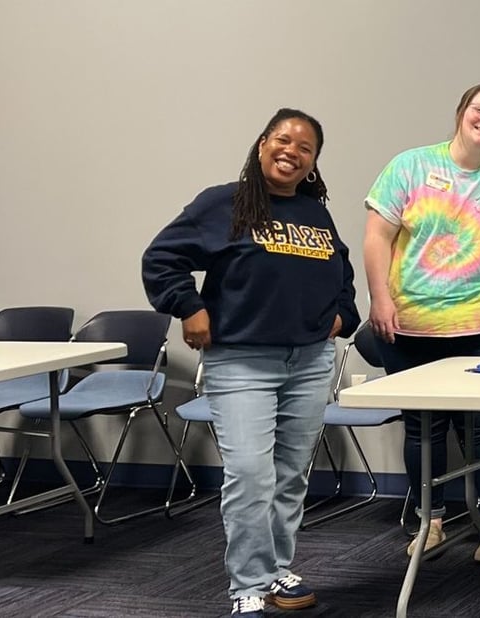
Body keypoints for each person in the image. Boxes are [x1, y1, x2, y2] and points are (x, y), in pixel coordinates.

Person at [142, 108, 360, 618]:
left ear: (313, 164)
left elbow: (342, 273)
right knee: (249, 473)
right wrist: (190, 307)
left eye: (305, 148)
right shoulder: (224, 204)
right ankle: (248, 584)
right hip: (242, 361)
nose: (293, 152)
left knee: (289, 473)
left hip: (308, 360)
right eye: (283, 140)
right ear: (262, 144)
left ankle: (277, 569)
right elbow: (161, 258)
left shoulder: (315, 213)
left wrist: (343, 316)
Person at [363, 82, 480, 561]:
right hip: (408, 327)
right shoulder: (410, 166)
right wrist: (379, 298)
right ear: (461, 112)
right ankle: (429, 522)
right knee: (421, 430)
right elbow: (377, 237)